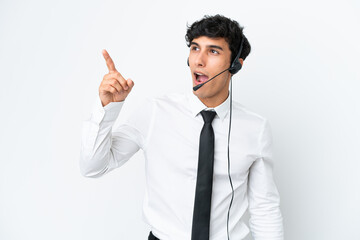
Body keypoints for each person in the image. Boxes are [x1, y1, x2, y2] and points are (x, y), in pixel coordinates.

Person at [80, 14, 284, 240]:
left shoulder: (255, 129)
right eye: (195, 49)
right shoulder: (155, 112)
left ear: (235, 65)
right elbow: (93, 167)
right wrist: (107, 109)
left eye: (213, 51)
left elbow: (264, 209)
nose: (199, 60)